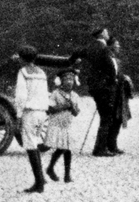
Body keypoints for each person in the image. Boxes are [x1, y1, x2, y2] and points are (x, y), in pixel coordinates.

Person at [68, 27, 119, 156]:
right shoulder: (104, 48)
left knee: (104, 116)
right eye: (107, 32)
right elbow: (111, 68)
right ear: (102, 34)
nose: (108, 34)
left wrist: (73, 62)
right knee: (106, 118)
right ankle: (100, 149)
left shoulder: (89, 47)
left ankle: (102, 147)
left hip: (94, 86)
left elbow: (76, 52)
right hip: (105, 86)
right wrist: (113, 81)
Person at [14, 45, 51, 193]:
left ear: (22, 59)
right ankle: (40, 178)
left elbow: (21, 96)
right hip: (42, 112)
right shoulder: (41, 72)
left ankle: (39, 182)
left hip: (30, 112)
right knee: (35, 143)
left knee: (30, 146)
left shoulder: (23, 72)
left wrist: (18, 114)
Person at [43, 67, 82, 183]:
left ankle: (60, 172)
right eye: (66, 79)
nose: (69, 82)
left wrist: (73, 108)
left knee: (65, 148)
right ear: (60, 81)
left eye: (71, 79)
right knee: (64, 148)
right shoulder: (56, 93)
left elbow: (76, 113)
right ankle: (63, 174)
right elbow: (49, 109)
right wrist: (65, 106)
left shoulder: (75, 95)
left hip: (67, 125)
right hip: (56, 124)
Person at [107, 37, 133, 154]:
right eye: (117, 45)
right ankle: (108, 145)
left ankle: (113, 145)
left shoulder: (118, 61)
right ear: (111, 46)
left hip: (119, 93)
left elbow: (119, 74)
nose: (118, 48)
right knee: (111, 118)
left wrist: (125, 78)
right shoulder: (107, 59)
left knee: (118, 118)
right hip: (112, 92)